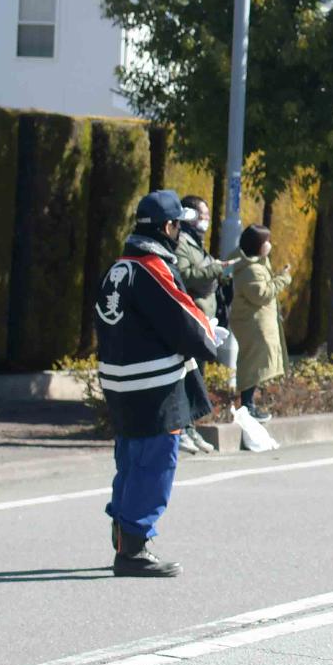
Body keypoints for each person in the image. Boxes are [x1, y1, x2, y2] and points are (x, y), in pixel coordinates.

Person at [90, 190, 227, 577]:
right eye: (179, 227)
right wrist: (211, 336)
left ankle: (124, 533)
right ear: (168, 227)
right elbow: (185, 319)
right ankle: (133, 547)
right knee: (156, 462)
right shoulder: (153, 268)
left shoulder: (118, 268)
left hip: (119, 383)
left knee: (131, 462)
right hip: (154, 385)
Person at [170, 196, 235, 455]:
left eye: (207, 214)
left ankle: (191, 427)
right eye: (201, 214)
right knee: (187, 375)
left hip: (203, 318)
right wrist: (215, 269)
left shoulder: (196, 243)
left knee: (197, 377)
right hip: (191, 317)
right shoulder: (183, 243)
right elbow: (184, 275)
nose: (205, 219)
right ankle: (182, 429)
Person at [228, 225, 291, 421]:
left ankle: (249, 404)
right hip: (253, 323)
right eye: (266, 241)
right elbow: (261, 294)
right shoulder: (251, 270)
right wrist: (283, 278)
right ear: (258, 245)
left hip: (256, 321)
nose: (269, 245)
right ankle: (247, 405)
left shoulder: (256, 264)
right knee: (252, 363)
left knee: (255, 362)